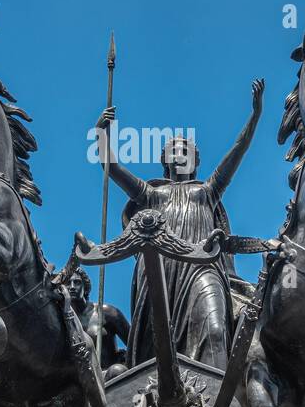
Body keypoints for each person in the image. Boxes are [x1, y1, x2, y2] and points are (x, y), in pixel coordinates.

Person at [94, 80, 264, 372]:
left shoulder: (208, 191)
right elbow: (112, 167)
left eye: (186, 151)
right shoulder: (151, 194)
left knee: (214, 329)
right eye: (174, 150)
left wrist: (255, 114)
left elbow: (237, 151)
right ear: (165, 161)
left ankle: (217, 401)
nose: (180, 154)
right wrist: (100, 134)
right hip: (158, 273)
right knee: (154, 348)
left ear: (196, 162)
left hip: (201, 268)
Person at [67, 266, 129, 373]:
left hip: (110, 377)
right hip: (82, 381)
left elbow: (135, 344)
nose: (72, 287)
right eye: (67, 283)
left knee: (117, 370)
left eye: (77, 282)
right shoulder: (63, 324)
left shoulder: (107, 313)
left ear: (85, 288)